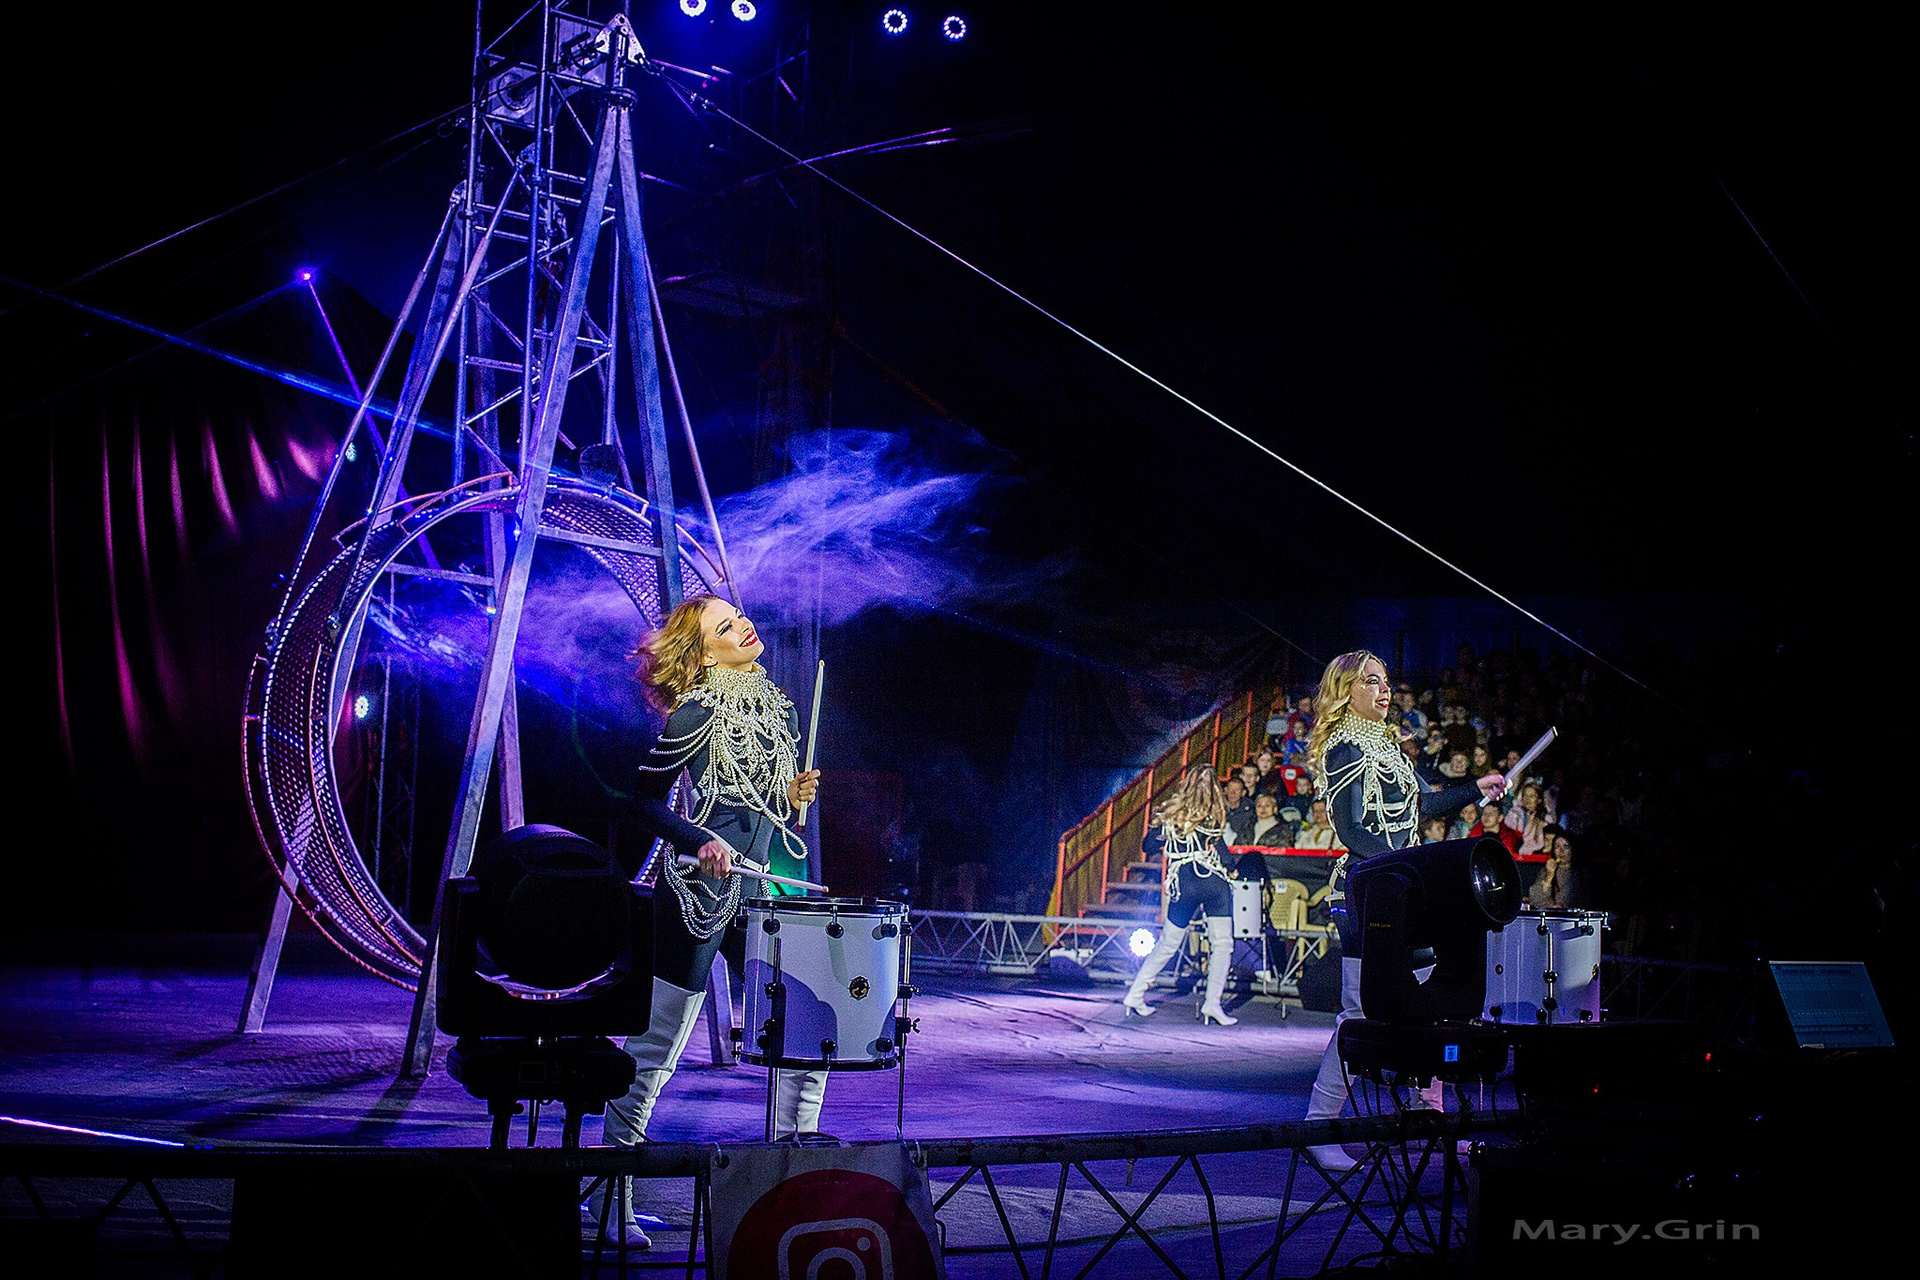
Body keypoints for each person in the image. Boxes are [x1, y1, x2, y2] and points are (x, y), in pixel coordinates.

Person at [602, 595, 823, 1249]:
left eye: (738, 616)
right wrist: (700, 839)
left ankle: (795, 1187)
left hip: (756, 892)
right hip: (696, 894)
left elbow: (757, 798)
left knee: (805, 1032)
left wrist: (792, 793)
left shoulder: (775, 708)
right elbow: (643, 801)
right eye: (723, 627)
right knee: (659, 1046)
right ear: (702, 656)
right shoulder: (696, 713)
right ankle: (611, 1196)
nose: (742, 626)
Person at [1301, 650, 1506, 1171]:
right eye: (1371, 681)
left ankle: (1427, 1118)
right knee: (1359, 1011)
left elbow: (1424, 805)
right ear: (1346, 690)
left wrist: (1475, 790)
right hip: (1370, 894)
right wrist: (1407, 868)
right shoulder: (1345, 747)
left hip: (1402, 890)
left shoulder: (1388, 746)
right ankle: (1318, 1127)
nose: (1384, 689)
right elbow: (1351, 829)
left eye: (1386, 680)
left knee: (1429, 1006)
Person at [1122, 764, 1242, 1025]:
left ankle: (1135, 994)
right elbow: (1224, 854)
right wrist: (1232, 869)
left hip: (1185, 882)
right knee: (1222, 944)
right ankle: (1212, 1004)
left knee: (1168, 942)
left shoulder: (1172, 815)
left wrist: (1167, 831)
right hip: (1213, 883)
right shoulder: (1213, 817)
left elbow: (1147, 845)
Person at [1526, 826, 1581, 909]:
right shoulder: (1547, 871)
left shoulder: (1579, 874)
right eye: (1557, 846)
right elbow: (1536, 900)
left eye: (1566, 846)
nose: (1561, 851)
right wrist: (1549, 875)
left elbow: (1566, 902)